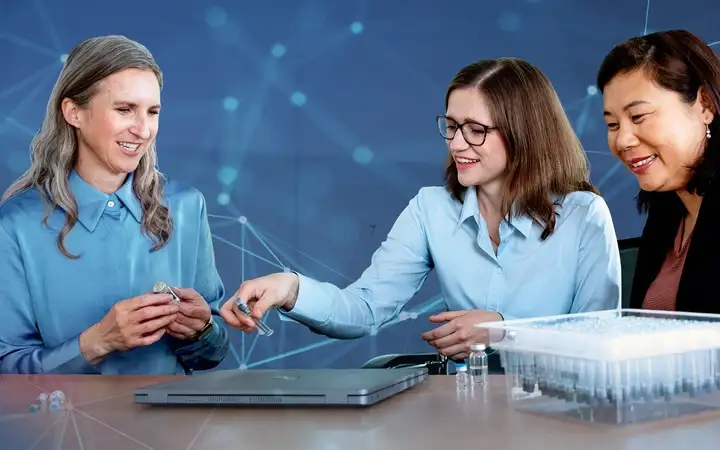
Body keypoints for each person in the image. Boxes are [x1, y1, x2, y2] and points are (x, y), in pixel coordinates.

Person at [221, 57, 622, 360]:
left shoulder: (584, 215)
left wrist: (504, 332)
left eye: (476, 130)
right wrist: (291, 289)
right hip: (463, 407)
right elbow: (364, 309)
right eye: (451, 126)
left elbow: (598, 339)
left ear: (525, 134)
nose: (457, 143)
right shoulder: (430, 209)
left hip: (555, 410)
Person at [0, 35, 229, 374]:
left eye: (152, 112)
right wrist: (97, 342)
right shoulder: (15, 225)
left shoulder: (185, 207)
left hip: (172, 427)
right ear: (73, 112)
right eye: (124, 110)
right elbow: (7, 370)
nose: (143, 129)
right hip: (62, 427)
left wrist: (202, 331)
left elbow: (213, 354)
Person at [597, 29, 720, 314]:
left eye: (638, 117)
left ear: (705, 105)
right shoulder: (667, 212)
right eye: (612, 125)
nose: (623, 140)